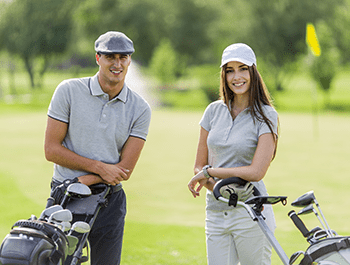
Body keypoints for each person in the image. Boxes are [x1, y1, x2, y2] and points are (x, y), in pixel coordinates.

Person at [44, 31, 152, 264]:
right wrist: (99, 169)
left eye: (123, 57)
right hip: (66, 197)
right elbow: (51, 150)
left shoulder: (140, 108)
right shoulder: (68, 90)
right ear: (97, 58)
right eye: (110, 57)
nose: (117, 63)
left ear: (129, 60)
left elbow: (124, 171)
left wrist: (87, 179)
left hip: (109, 202)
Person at [188, 43, 279, 265]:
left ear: (253, 72)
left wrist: (210, 173)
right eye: (230, 70)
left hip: (252, 212)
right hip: (216, 212)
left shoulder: (267, 115)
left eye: (242, 68)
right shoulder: (213, 111)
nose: (236, 76)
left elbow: (256, 171)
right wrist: (214, 186)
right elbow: (199, 166)